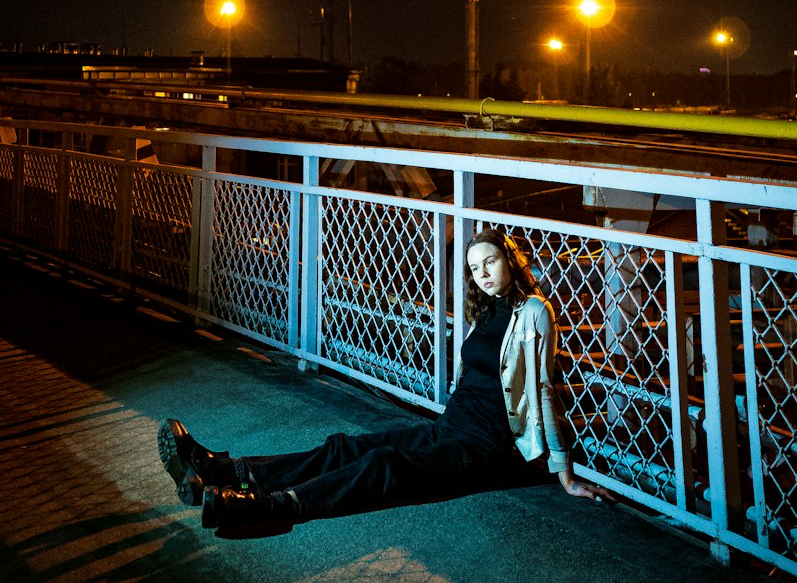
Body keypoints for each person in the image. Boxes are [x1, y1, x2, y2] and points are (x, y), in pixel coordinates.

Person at [158, 228, 609, 538]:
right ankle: (226, 472)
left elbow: (544, 391)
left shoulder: (534, 311)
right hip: (451, 426)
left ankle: (271, 506)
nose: (484, 273)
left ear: (510, 260)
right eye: (475, 268)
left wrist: (564, 474)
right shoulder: (484, 311)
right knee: (344, 447)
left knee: (385, 464)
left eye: (491, 261)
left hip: (487, 445)